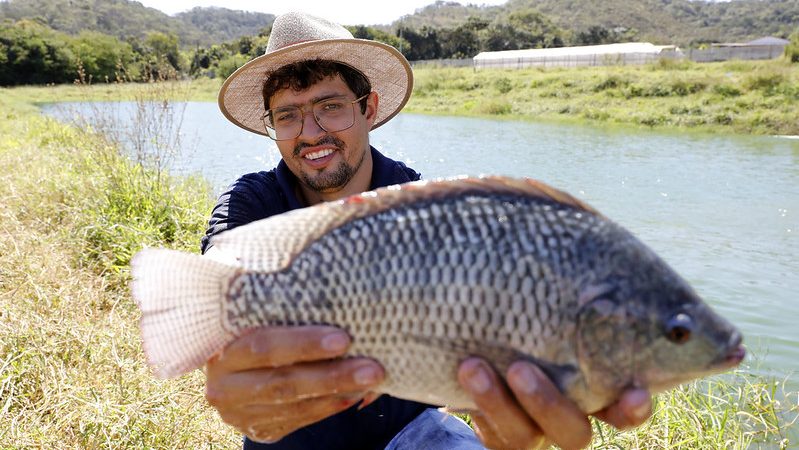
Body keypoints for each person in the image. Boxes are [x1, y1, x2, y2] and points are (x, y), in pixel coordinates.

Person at [200, 11, 653, 450]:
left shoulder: (420, 203)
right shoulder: (253, 199)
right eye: (287, 116)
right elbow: (220, 267)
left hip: (414, 432)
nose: (311, 132)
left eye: (330, 107)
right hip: (290, 439)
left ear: (369, 108)